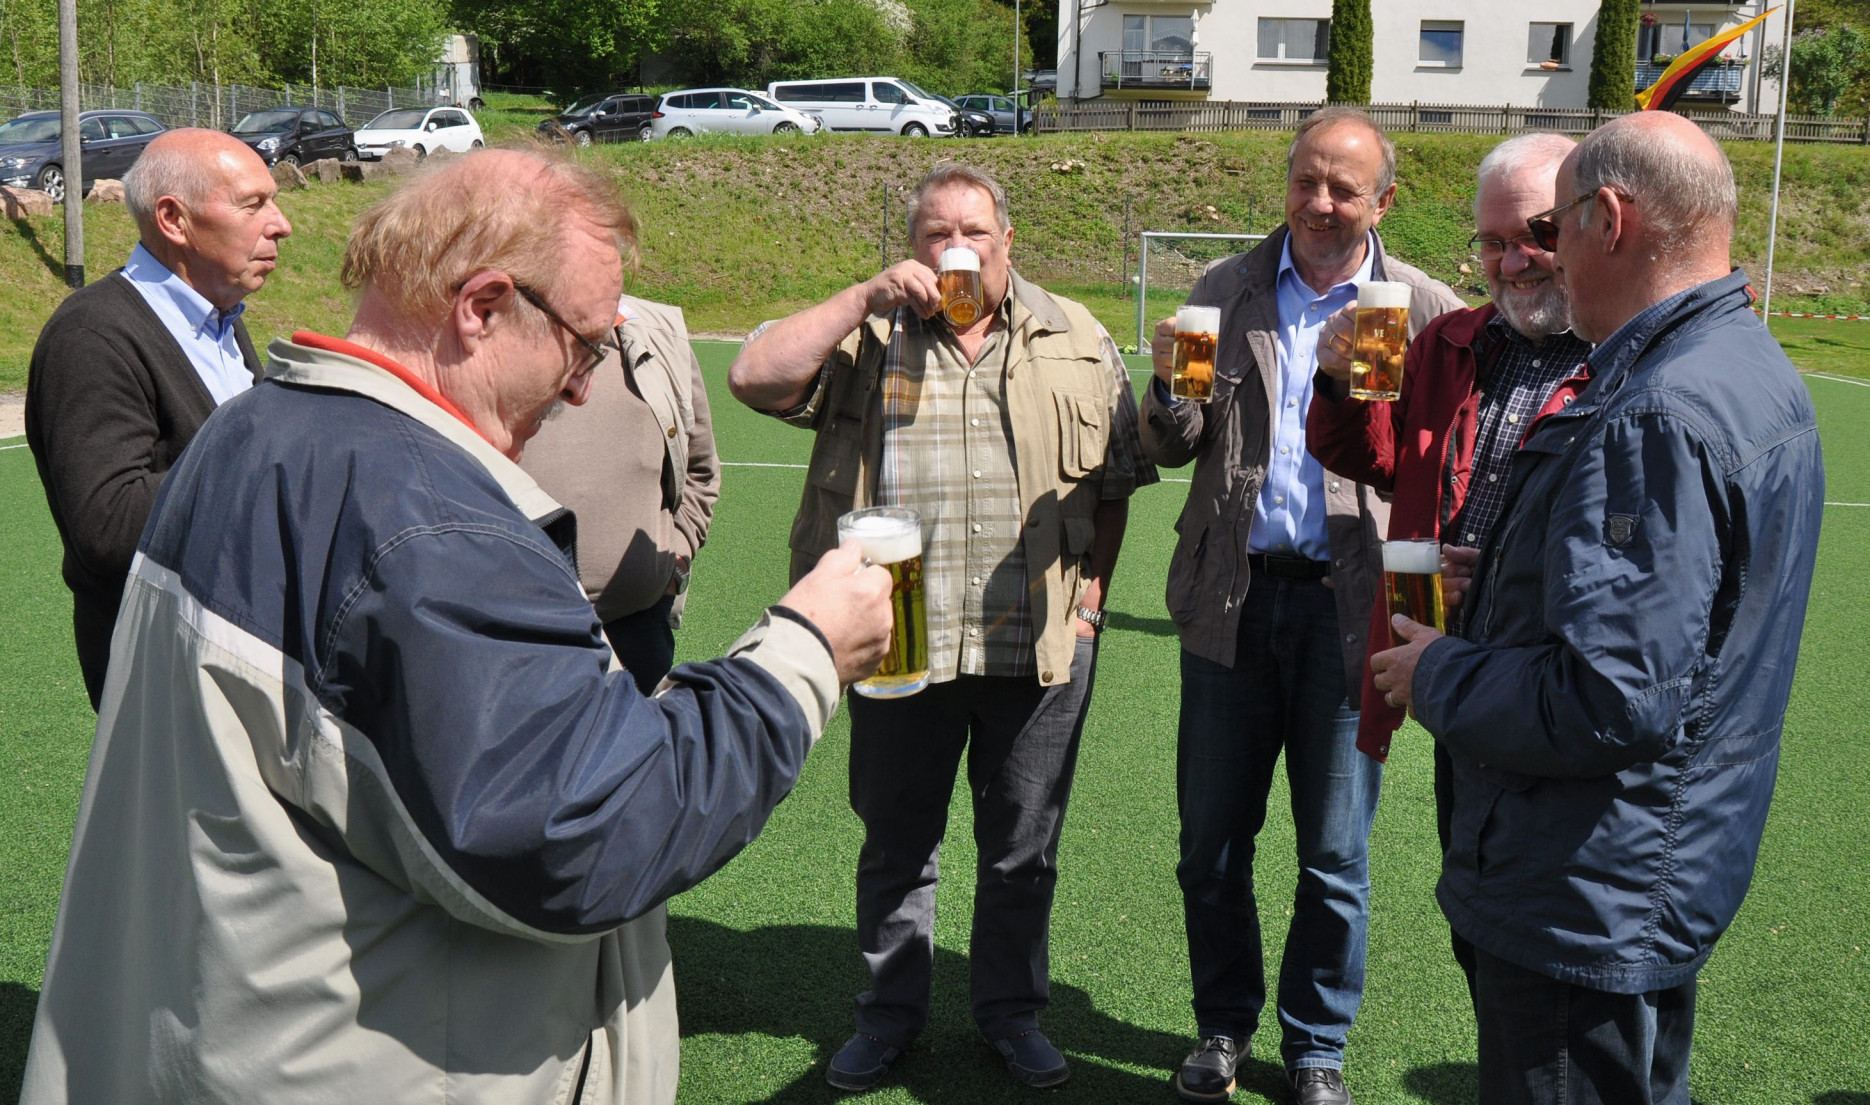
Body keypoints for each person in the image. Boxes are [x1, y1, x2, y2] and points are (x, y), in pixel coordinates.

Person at [18, 148, 895, 1105]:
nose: (581, 388)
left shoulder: (253, 426)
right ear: (480, 308)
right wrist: (804, 650)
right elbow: (589, 832)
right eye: (583, 346)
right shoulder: (429, 526)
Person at [1370, 112, 1825, 1104]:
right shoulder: (1746, 365)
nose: (1540, 259)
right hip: (1658, 854)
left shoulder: (1654, 407)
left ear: (1608, 220)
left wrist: (1435, 668)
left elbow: (1609, 699)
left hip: (1587, 876)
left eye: (1554, 227)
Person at [727, 162, 1156, 1091]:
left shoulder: (1076, 334)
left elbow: (1117, 481)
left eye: (974, 230)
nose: (957, 247)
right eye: (936, 232)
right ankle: (889, 1016)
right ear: (913, 245)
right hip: (898, 640)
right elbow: (753, 377)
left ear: (1008, 241)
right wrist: (862, 295)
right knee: (896, 845)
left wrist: (1091, 602)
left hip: (1037, 643)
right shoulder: (872, 333)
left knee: (1021, 851)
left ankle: (1011, 1014)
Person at [1139, 107, 1462, 1105]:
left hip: (1349, 614)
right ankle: (1223, 1026)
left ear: (1383, 201)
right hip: (1231, 601)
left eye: (1343, 188)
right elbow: (1172, 446)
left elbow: (1452, 468)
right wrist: (1167, 391)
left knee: (1333, 854)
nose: (1320, 203)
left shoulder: (1423, 309)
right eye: (1305, 181)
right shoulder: (1225, 287)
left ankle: (1316, 1044)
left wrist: (1430, 602)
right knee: (1210, 844)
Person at [1305, 132, 1590, 1002]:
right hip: (1460, 674)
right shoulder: (1454, 339)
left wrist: (1496, 572)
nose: (1514, 261)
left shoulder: (1627, 355)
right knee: (1476, 915)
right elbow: (1381, 460)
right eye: (1493, 242)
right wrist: (1340, 383)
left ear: (1591, 225)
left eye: (1537, 234)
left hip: (1565, 686)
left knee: (1561, 950)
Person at [24, 128, 291, 708]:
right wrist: (277, 456)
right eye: (253, 204)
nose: (281, 224)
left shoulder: (220, 317)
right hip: (165, 683)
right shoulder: (91, 336)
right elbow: (108, 526)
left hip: (240, 661)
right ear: (174, 220)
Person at [522, 291, 720, 694]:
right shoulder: (484, 328)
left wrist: (676, 562)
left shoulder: (657, 332)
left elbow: (701, 471)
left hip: (638, 627)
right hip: (515, 631)